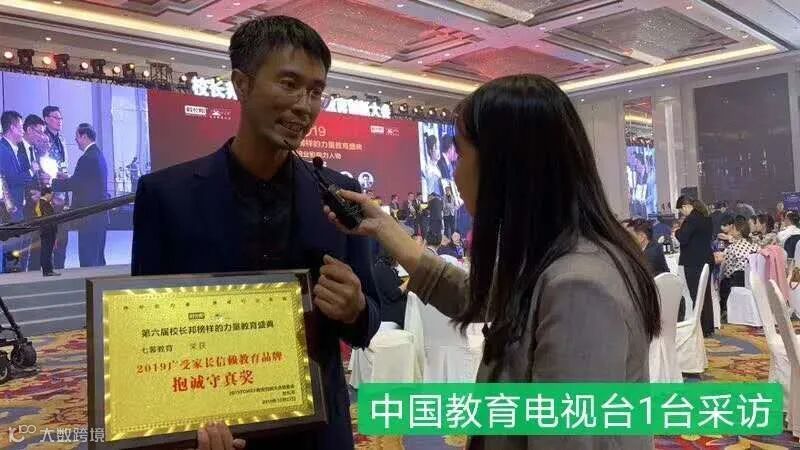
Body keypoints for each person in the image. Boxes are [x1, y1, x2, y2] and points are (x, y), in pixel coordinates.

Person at [324, 73, 659, 450]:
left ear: (504, 165)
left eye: (461, 155)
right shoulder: (549, 255)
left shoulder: (578, 286)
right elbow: (477, 295)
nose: (455, 172)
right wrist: (386, 229)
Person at [131, 16, 379, 450]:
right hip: (216, 432)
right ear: (241, 85)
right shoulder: (166, 196)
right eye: (289, 84)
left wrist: (356, 307)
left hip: (320, 434)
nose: (304, 106)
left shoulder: (340, 197)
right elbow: (147, 336)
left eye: (316, 91)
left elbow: (368, 324)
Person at [52, 123, 108, 267]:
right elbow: (86, 182)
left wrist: (51, 184)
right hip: (98, 215)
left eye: (77, 137)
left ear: (84, 136)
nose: (75, 140)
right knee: (97, 258)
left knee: (88, 259)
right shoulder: (97, 154)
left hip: (89, 216)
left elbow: (76, 184)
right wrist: (68, 178)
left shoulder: (87, 158)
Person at [674, 195, 714, 336]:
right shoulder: (706, 217)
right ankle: (708, 326)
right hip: (707, 259)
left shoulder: (691, 219)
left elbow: (683, 238)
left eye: (681, 210)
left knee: (696, 295)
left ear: (686, 206)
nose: (682, 213)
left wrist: (676, 231)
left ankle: (700, 327)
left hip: (693, 262)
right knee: (705, 294)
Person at [715, 216, 759, 316]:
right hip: (754, 279)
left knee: (724, 282)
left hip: (738, 280)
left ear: (738, 232)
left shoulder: (732, 248)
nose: (731, 230)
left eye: (733, 228)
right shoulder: (755, 246)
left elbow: (728, 270)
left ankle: (724, 310)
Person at [0, 111, 29, 222]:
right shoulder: (3, 150)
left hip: (16, 208)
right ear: (12, 128)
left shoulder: (14, 149)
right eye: (21, 127)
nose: (23, 131)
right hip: (9, 212)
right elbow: (11, 179)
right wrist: (31, 172)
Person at [372, 246, 407, 328]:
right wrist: (409, 281)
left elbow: (400, 284)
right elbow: (394, 294)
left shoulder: (388, 269)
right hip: (390, 317)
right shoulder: (382, 269)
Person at [35, 187, 59, 277]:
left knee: (46, 251)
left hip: (45, 230)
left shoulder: (41, 203)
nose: (52, 196)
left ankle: (48, 270)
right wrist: (54, 230)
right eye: (51, 194)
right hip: (48, 231)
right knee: (47, 251)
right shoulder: (44, 204)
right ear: (47, 194)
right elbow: (49, 219)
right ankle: (47, 271)